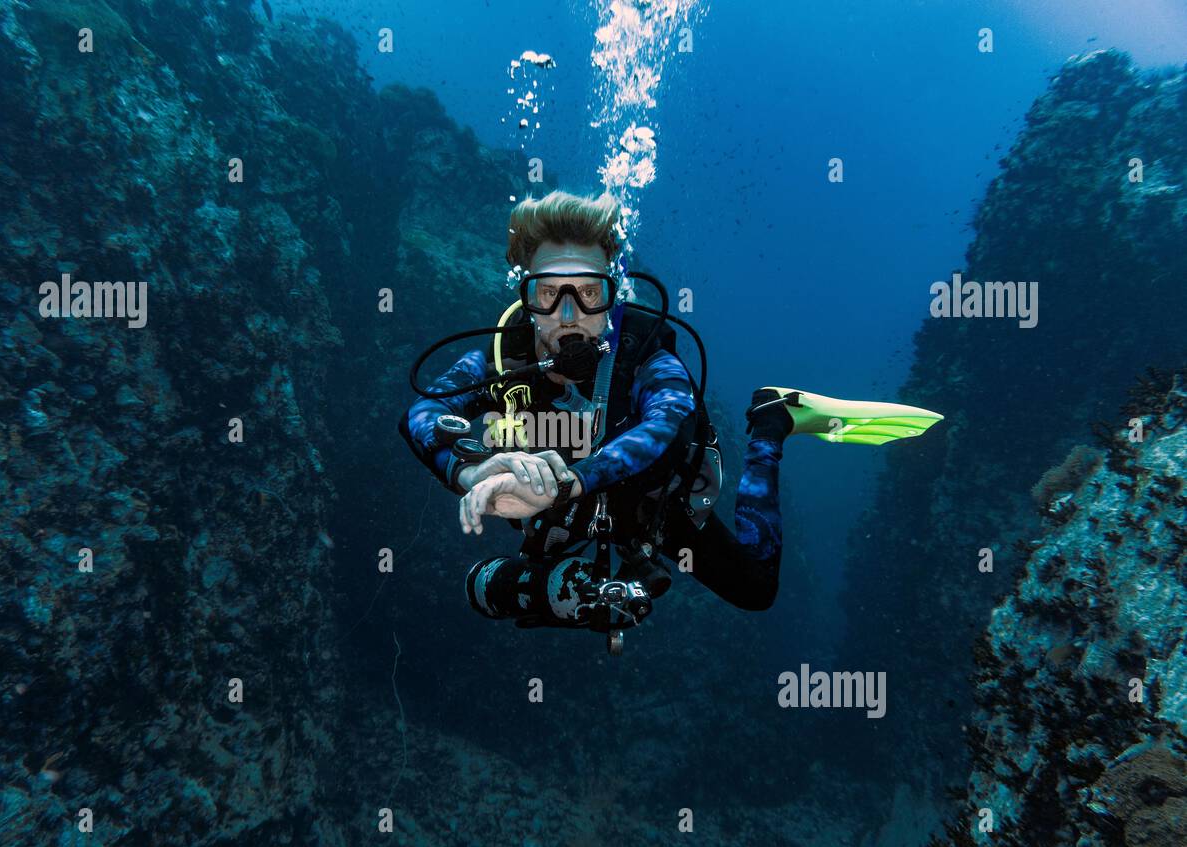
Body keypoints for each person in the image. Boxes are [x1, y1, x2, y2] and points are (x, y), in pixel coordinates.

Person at [400, 191, 941, 642]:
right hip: (563, 508)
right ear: (526, 296)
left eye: (588, 293)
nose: (568, 316)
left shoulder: (645, 354)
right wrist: (470, 470)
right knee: (515, 589)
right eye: (547, 294)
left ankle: (774, 419)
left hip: (647, 501)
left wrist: (569, 482)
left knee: (756, 589)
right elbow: (423, 411)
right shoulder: (505, 358)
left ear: (613, 293)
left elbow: (665, 423)